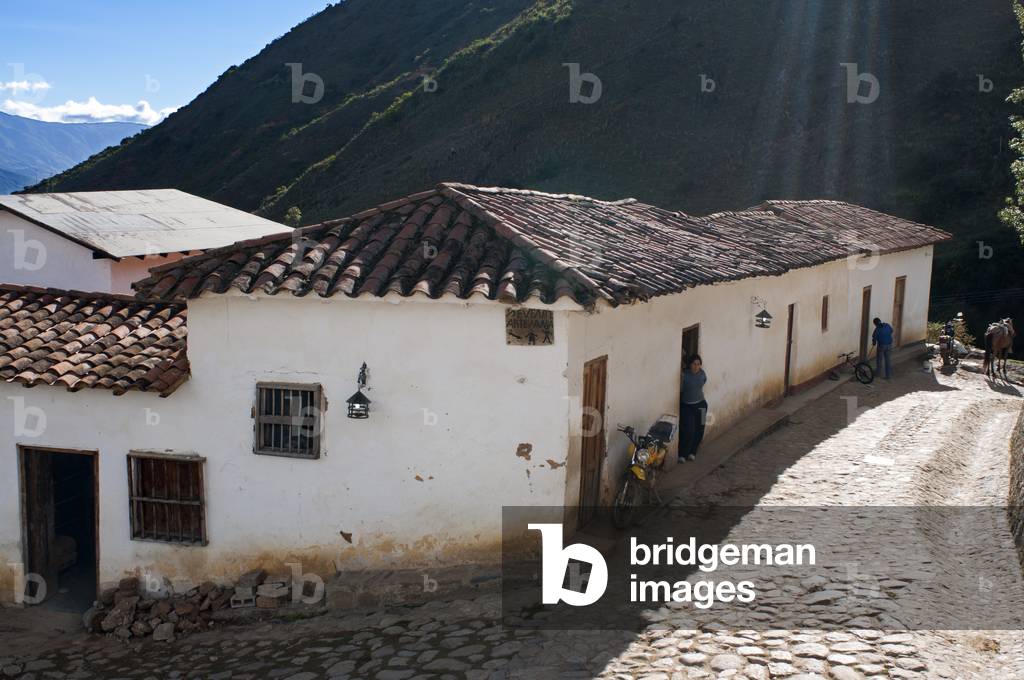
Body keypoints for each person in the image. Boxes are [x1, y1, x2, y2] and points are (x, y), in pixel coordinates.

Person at [679, 354, 708, 463]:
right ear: (690, 365)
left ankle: (693, 452)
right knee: (688, 430)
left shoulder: (702, 374)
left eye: (698, 364)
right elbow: (681, 389)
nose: (696, 366)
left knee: (700, 429)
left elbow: (704, 381)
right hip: (687, 406)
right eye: (694, 364)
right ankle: (682, 454)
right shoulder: (684, 375)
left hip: (701, 405)